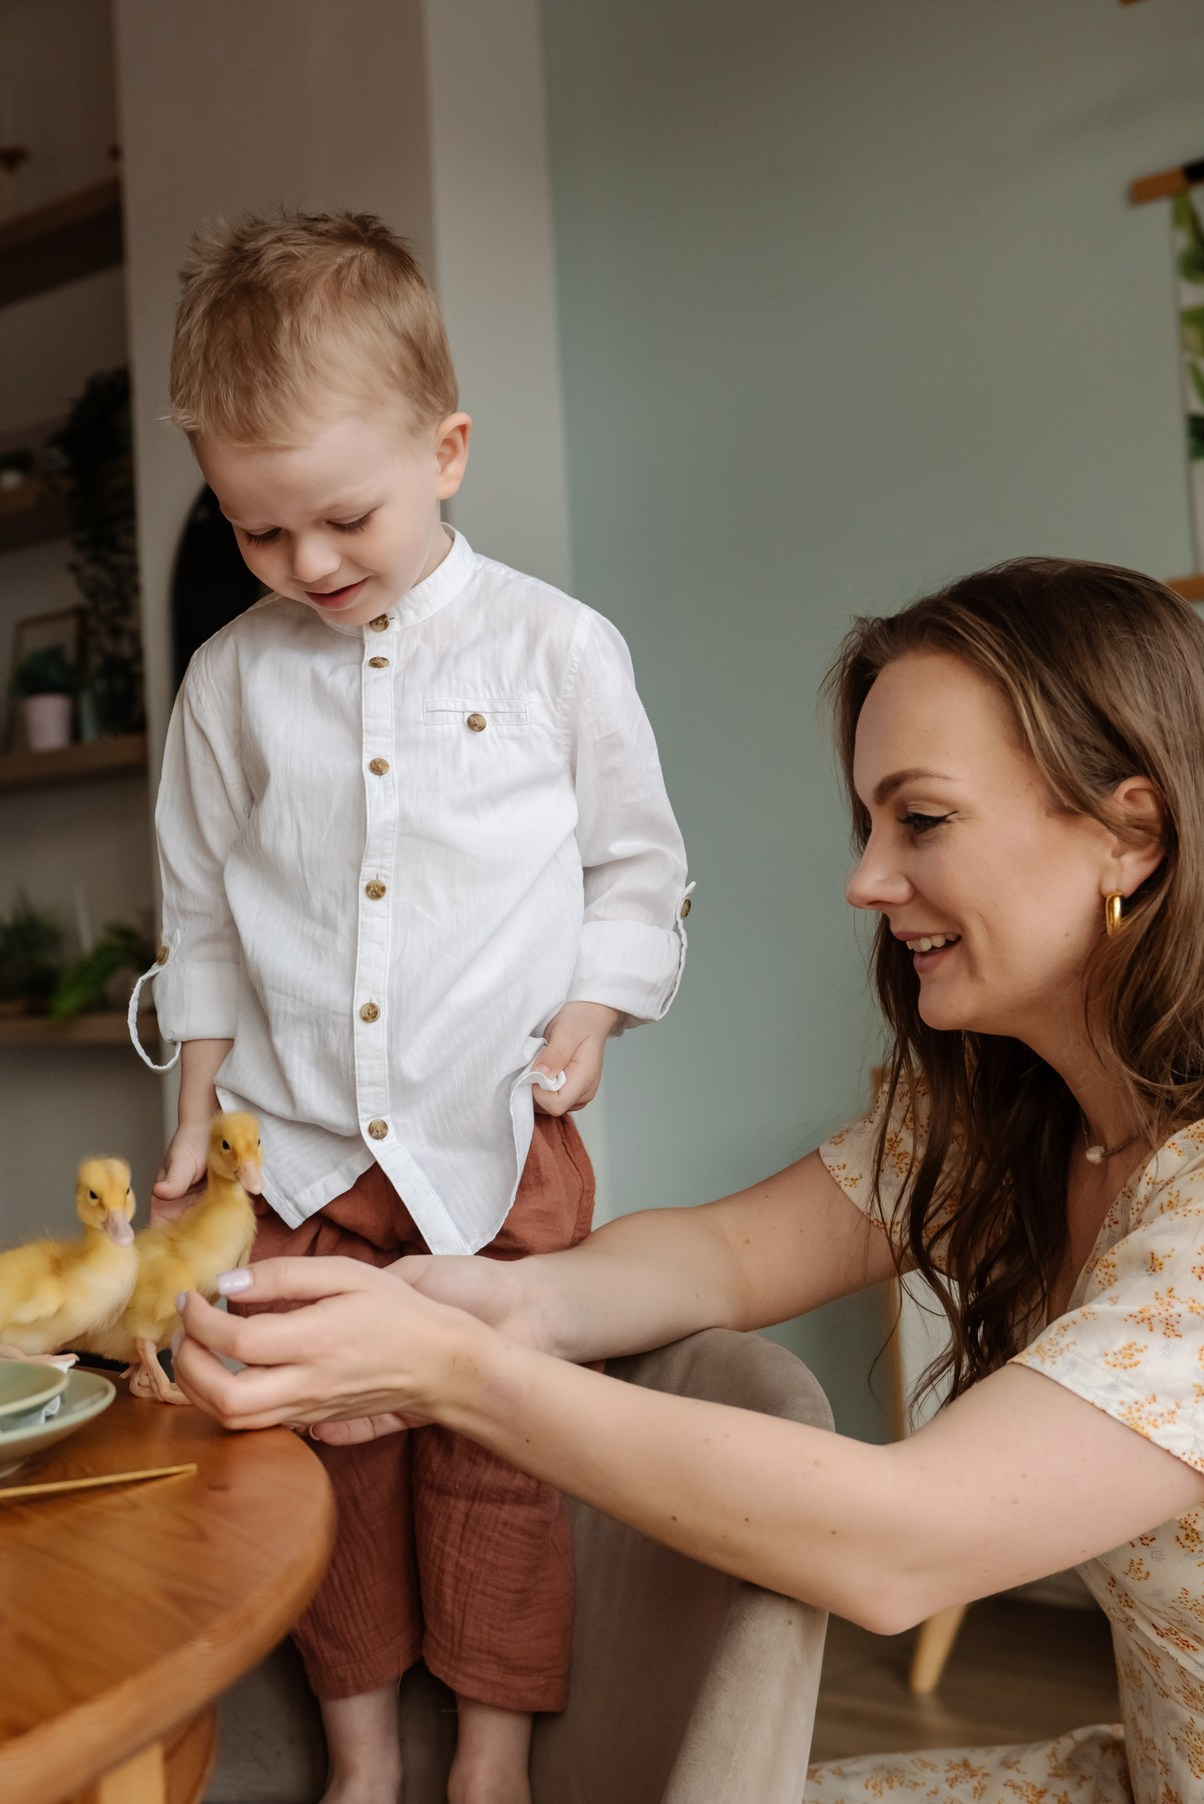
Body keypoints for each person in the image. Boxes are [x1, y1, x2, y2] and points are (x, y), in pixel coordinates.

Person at [175, 557, 1204, 1804]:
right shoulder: (1016, 1116)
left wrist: (456, 1374)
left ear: (1131, 835)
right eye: (867, 825)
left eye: (920, 820)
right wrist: (490, 1300)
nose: (866, 881)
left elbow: (900, 1545)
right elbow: (725, 1256)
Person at [138, 211, 690, 1804]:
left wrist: (600, 1006)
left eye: (340, 517)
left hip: (492, 1141)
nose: (306, 565)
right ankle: (364, 1761)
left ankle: (492, 1762)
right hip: (298, 1158)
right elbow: (205, 918)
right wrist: (194, 1114)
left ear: (445, 451)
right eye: (256, 534)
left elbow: (639, 869)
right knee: (322, 1461)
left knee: (499, 1453)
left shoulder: (556, 653)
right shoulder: (232, 685)